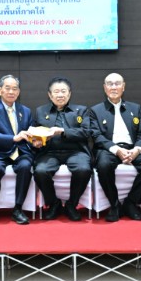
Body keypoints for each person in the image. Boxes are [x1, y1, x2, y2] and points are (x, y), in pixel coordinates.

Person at [88, 73, 141, 222]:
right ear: (104, 88)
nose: (114, 87)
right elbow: (96, 136)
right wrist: (116, 150)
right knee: (103, 166)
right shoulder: (95, 110)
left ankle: (131, 203)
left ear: (123, 87)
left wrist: (136, 150)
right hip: (108, 149)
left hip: (132, 148)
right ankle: (114, 205)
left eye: (117, 83)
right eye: (110, 84)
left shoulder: (136, 108)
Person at [31, 76, 92, 222]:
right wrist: (36, 141)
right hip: (49, 152)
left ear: (69, 94)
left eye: (63, 91)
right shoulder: (41, 111)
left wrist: (62, 131)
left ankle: (72, 204)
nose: (60, 95)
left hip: (76, 151)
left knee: (83, 169)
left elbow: (86, 132)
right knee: (40, 171)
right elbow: (35, 133)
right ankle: (54, 204)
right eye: (56, 92)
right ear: (50, 95)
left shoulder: (81, 110)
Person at [0, 74, 34, 225]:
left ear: (19, 92)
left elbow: (31, 133)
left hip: (21, 151)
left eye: (15, 88)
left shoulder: (25, 111)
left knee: (25, 166)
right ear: (0, 90)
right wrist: (13, 138)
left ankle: (18, 208)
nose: (11, 92)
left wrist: (35, 142)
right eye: (8, 88)